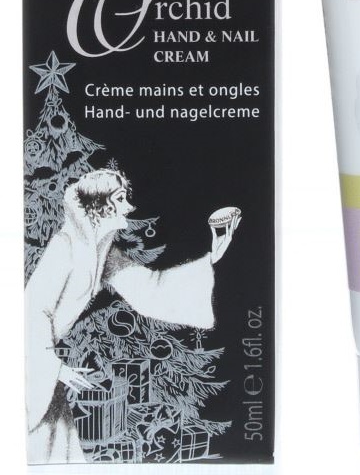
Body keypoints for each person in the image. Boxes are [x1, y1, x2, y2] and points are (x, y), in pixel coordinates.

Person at [25, 169, 240, 464]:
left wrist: (212, 259)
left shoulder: (104, 253)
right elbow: (33, 309)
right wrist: (54, 367)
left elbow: (150, 290)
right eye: (120, 199)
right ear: (100, 206)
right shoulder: (64, 247)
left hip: (47, 375)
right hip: (32, 371)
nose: (129, 206)